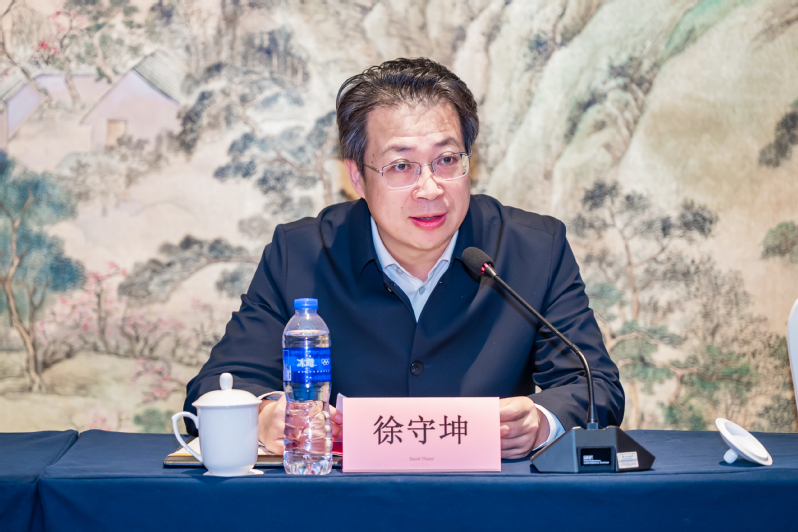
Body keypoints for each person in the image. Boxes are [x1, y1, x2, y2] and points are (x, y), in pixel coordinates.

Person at [184, 58, 624, 459]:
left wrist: (540, 422)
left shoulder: (534, 249)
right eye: (401, 166)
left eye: (446, 160)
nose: (430, 189)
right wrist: (265, 416)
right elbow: (220, 383)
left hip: (487, 501)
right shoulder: (299, 254)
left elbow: (595, 386)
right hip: (342, 503)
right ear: (357, 176)